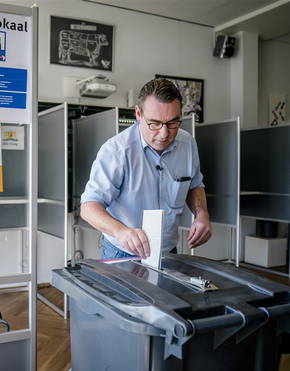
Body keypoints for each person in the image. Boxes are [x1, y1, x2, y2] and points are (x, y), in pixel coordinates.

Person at [80, 78, 212, 259]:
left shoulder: (187, 144)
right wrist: (121, 232)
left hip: (168, 250)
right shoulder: (116, 151)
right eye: (155, 123)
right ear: (138, 114)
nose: (164, 134)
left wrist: (201, 214)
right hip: (122, 252)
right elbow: (89, 208)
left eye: (173, 123)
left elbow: (194, 185)